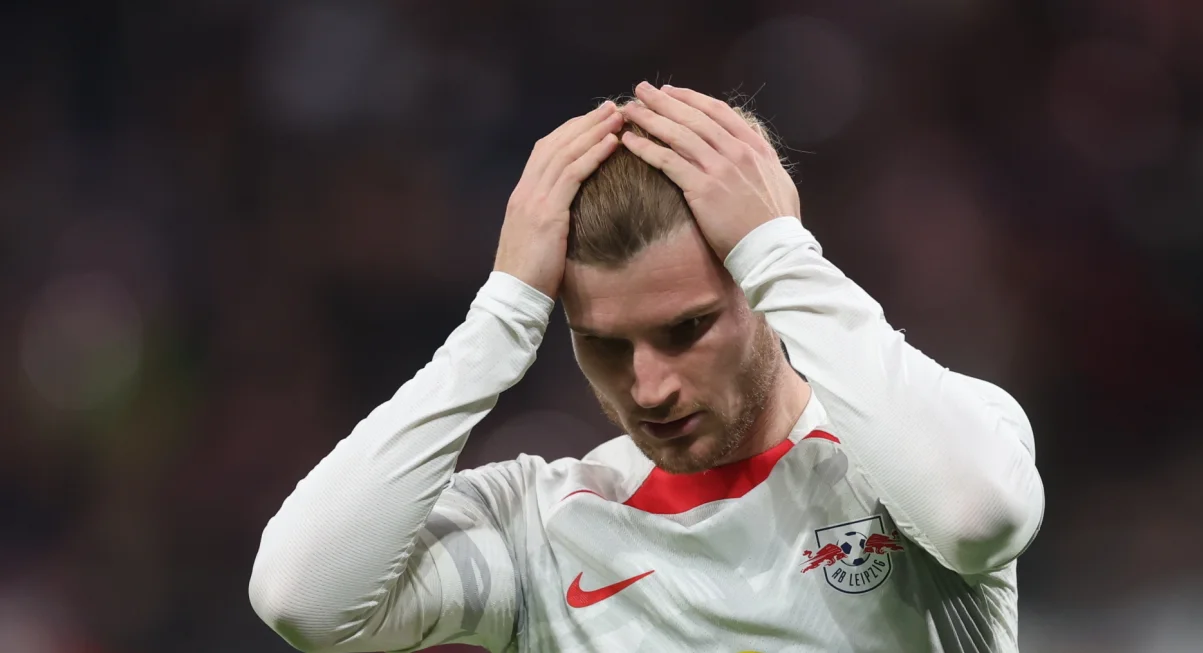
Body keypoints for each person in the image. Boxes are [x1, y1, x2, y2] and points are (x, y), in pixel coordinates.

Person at [249, 82, 1045, 652]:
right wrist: (498, 320)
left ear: (763, 287)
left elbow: (978, 519)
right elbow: (303, 599)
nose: (648, 386)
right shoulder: (540, 524)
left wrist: (780, 251)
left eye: (686, 327)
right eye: (604, 342)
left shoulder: (912, 451)